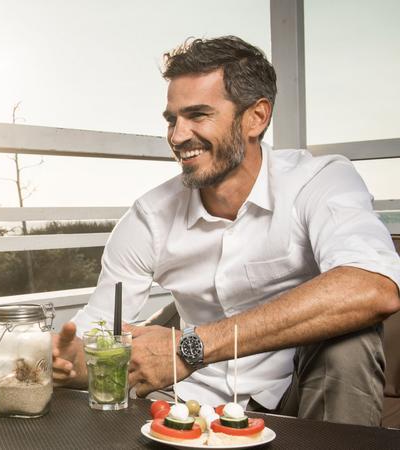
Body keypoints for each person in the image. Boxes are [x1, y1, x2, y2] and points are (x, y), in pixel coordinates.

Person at [51, 36, 400, 426]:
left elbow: (373, 287)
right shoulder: (148, 217)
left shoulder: (318, 181)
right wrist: (68, 361)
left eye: (198, 115)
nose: (177, 136)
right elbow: (101, 324)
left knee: (351, 343)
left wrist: (191, 347)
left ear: (257, 117)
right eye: (172, 119)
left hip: (294, 394)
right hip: (185, 400)